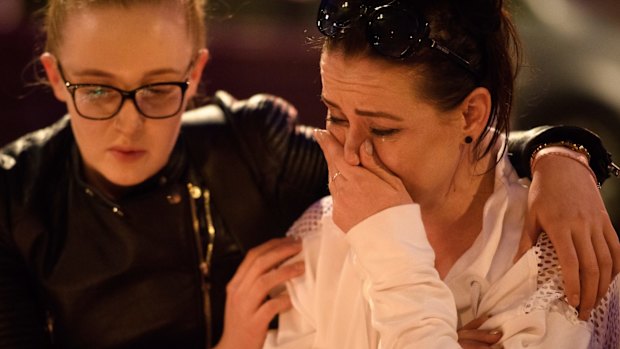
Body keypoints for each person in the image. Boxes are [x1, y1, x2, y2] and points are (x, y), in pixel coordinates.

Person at [0, 0, 616, 348]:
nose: (128, 125)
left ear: (194, 75)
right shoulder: (12, 196)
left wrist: (560, 154)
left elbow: (457, 149)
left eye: (159, 89)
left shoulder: (251, 150)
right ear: (56, 78)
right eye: (97, 90)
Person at [256, 0, 620, 348]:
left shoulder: (553, 258)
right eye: (336, 117)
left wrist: (388, 248)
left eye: (383, 130)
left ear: (471, 115)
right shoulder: (320, 236)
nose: (351, 154)